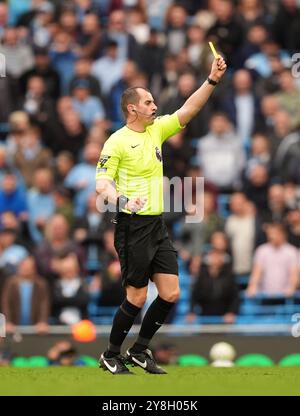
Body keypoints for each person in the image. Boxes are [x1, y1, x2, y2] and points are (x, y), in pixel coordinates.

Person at [96, 55, 227, 374]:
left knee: (170, 293)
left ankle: (139, 350)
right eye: (149, 101)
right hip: (132, 226)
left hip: (156, 225)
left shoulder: (156, 131)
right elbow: (101, 183)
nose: (155, 105)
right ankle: (111, 354)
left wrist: (211, 80)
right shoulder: (117, 141)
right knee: (137, 297)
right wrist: (121, 197)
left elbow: (188, 110)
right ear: (133, 109)